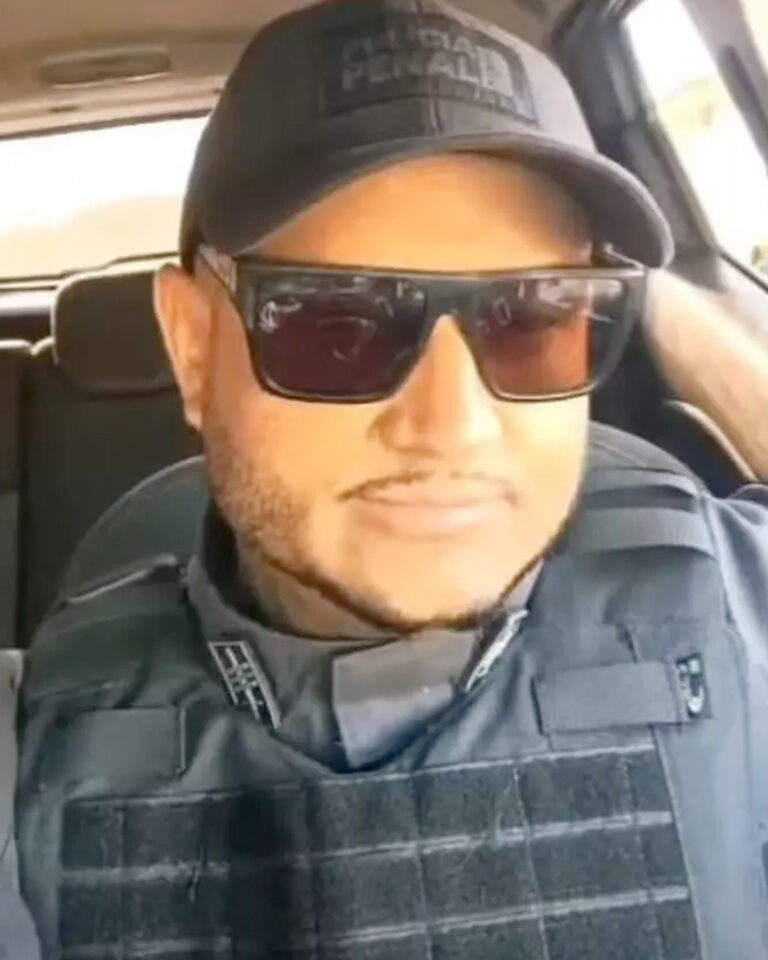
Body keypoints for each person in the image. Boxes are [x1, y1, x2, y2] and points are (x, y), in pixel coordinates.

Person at [15, 1, 768, 957]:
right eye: (339, 325)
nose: (451, 424)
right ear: (194, 347)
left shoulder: (740, 613)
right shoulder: (31, 757)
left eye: (533, 317)